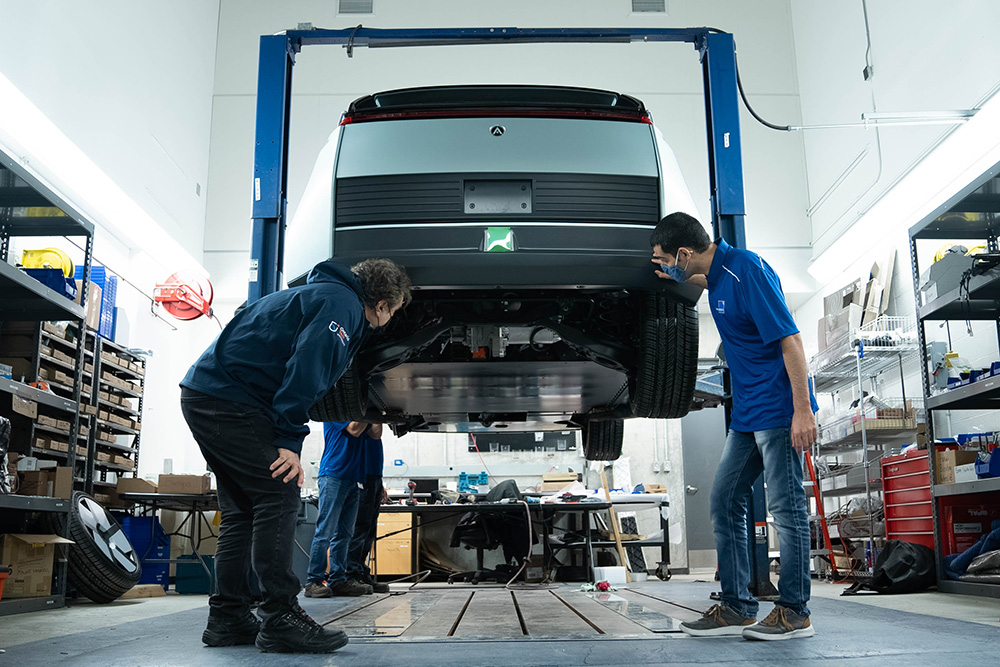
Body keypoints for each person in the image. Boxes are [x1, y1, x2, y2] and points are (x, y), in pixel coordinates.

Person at [180, 258, 410, 654]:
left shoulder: (318, 293)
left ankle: (228, 617)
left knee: (242, 511)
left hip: (209, 395)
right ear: (384, 304)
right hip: (231, 401)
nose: (387, 321)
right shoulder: (342, 305)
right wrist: (289, 438)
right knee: (278, 493)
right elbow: (308, 369)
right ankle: (280, 616)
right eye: (393, 312)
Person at [650, 212, 817, 641]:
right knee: (724, 501)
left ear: (685, 252)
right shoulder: (717, 275)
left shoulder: (748, 271)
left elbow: (790, 340)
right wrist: (671, 278)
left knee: (786, 509)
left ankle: (795, 612)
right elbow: (707, 282)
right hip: (747, 414)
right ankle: (737, 606)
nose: (665, 265)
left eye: (666, 259)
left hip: (779, 409)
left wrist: (803, 411)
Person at [304, 421, 382, 598]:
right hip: (333, 475)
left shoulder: (362, 419)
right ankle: (313, 581)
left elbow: (376, 433)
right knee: (325, 532)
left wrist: (376, 411)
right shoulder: (336, 413)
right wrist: (366, 409)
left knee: (345, 534)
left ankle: (338, 580)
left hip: (353, 479)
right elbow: (354, 430)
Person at [345, 422, 389, 594]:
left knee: (369, 530)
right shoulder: (357, 421)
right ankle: (351, 574)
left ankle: (361, 571)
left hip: (374, 475)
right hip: (362, 475)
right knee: (359, 528)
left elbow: (377, 434)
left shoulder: (371, 420)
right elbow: (358, 431)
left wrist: (380, 481)